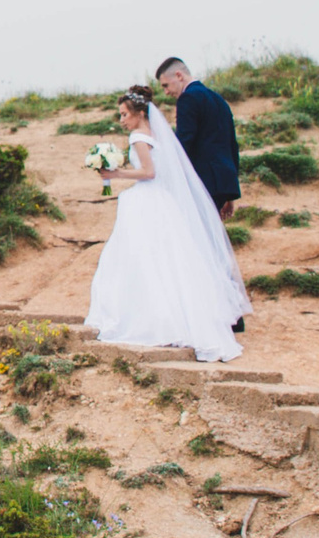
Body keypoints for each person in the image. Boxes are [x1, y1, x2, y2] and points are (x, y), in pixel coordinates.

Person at [84, 85, 251, 362]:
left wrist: (116, 173)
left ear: (139, 113)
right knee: (168, 259)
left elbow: (149, 172)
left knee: (140, 259)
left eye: (125, 114)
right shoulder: (156, 135)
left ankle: (150, 320)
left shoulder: (138, 136)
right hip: (162, 201)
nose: (122, 120)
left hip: (146, 200)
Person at [158, 54, 247, 336]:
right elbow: (231, 145)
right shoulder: (217, 99)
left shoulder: (188, 100)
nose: (167, 92)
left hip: (202, 182)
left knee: (203, 246)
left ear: (179, 76)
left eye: (165, 85)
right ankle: (232, 313)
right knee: (215, 245)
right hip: (221, 180)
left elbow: (183, 143)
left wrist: (161, 170)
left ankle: (223, 314)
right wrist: (230, 190)